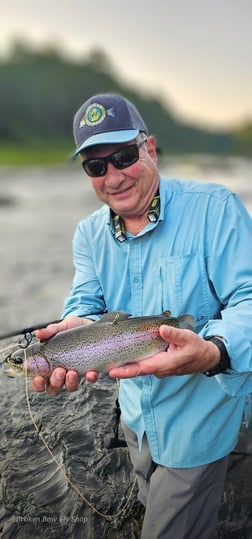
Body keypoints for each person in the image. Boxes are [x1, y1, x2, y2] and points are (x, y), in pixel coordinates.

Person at [32, 93, 252, 539]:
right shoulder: (88, 234)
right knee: (149, 500)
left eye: (124, 156)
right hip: (134, 417)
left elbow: (249, 297)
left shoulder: (216, 208)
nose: (113, 176)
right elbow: (85, 304)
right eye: (96, 166)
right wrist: (74, 327)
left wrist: (214, 352)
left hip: (199, 422)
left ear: (149, 149)